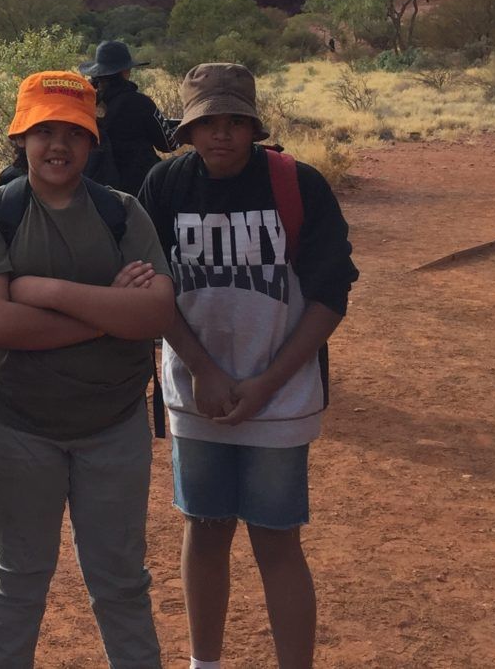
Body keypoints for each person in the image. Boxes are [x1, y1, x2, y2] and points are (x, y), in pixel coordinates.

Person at [138, 63, 358, 669]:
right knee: (205, 528)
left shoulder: (298, 185)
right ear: (186, 129)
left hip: (281, 396)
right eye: (208, 121)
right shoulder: (165, 187)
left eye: (235, 120)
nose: (222, 134)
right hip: (195, 394)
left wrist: (268, 382)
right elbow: (153, 290)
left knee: (276, 538)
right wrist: (204, 369)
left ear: (255, 125)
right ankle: (202, 663)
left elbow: (330, 293)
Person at [0, 70, 175, 669]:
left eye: (73, 133)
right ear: (21, 136)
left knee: (121, 581)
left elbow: (156, 309)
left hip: (114, 423)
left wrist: (46, 289)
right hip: (17, 426)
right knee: (19, 579)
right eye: (44, 130)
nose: (58, 145)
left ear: (92, 140)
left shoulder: (122, 213)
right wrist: (110, 310)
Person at [80, 39, 171, 195]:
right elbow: (168, 144)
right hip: (141, 188)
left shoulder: (86, 105)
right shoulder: (141, 103)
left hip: (97, 190)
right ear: (125, 72)